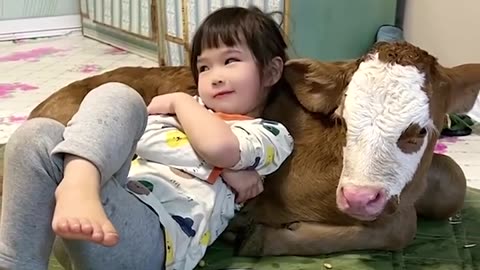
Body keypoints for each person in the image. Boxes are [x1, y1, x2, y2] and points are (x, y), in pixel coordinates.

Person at [0, 5, 293, 270]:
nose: (215, 76)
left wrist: (180, 102)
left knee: (122, 98)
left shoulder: (267, 134)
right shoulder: (179, 114)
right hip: (86, 216)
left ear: (270, 71)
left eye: (230, 61)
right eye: (204, 67)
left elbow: (218, 147)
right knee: (37, 134)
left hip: (153, 237)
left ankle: (79, 185)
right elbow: (129, 132)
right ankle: (61, 208)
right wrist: (224, 170)